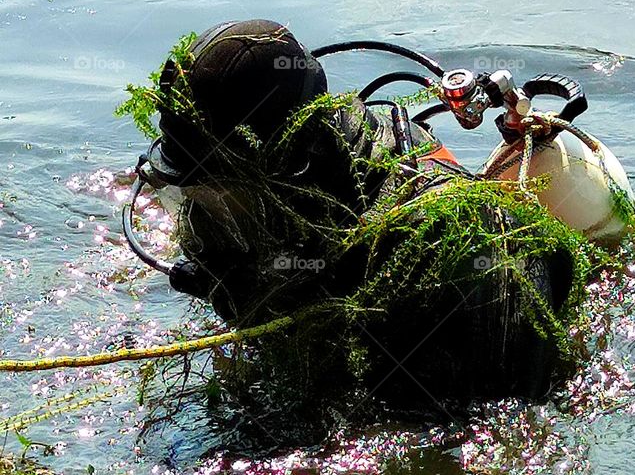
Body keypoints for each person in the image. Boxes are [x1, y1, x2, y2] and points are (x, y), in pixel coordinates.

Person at [140, 20, 580, 404]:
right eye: (187, 198)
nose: (203, 224)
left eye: (219, 201)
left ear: (289, 172)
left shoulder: (427, 266)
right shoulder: (333, 162)